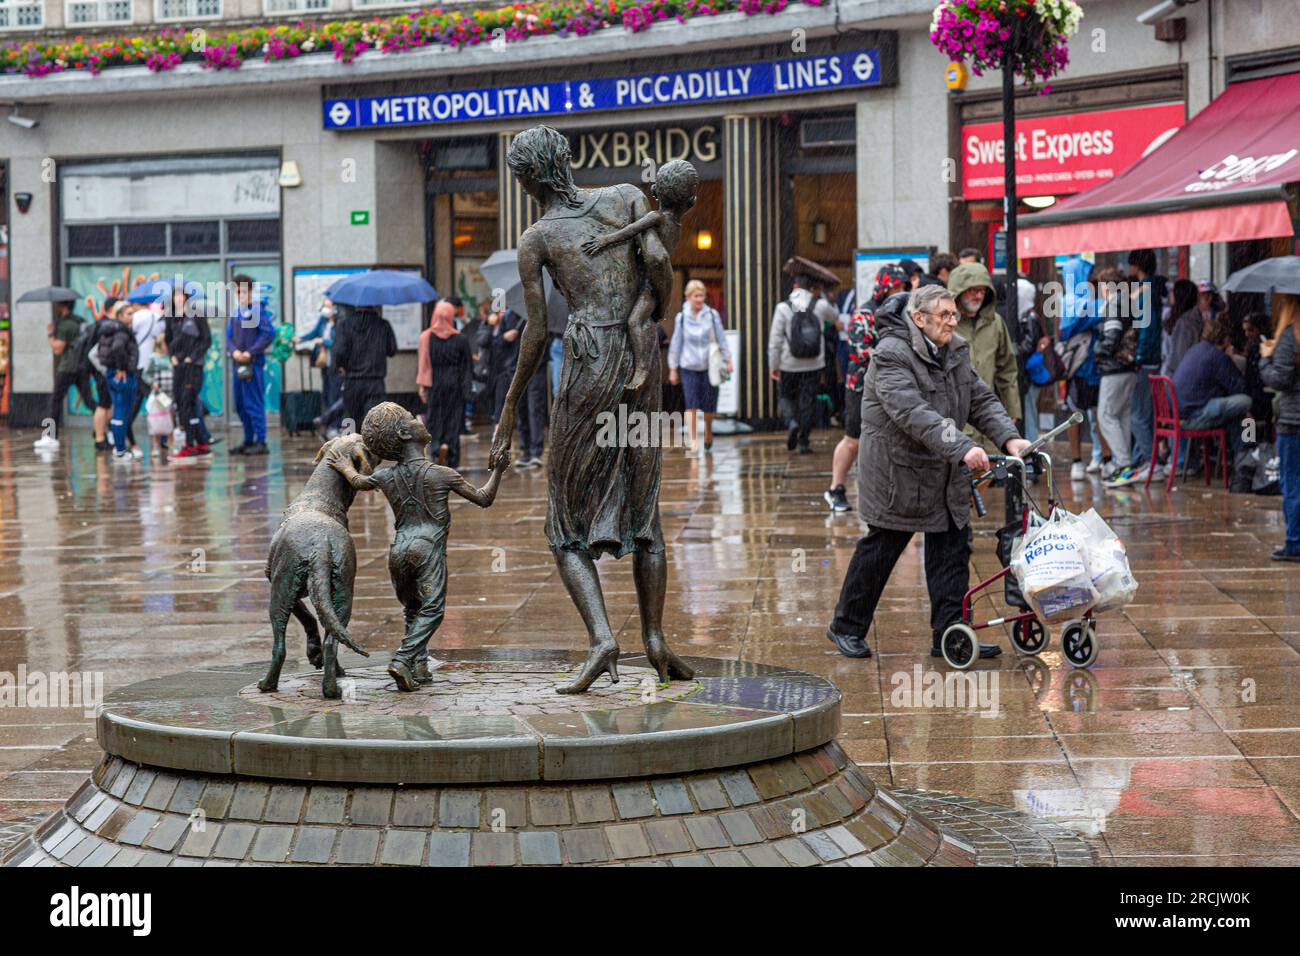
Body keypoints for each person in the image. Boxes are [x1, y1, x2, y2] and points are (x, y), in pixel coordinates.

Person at [490, 124, 694, 692]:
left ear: (529, 176)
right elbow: (656, 258)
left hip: (585, 363)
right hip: (639, 361)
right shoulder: (626, 195)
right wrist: (652, 315)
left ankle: (604, 637)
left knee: (564, 518)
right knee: (644, 497)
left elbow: (535, 334)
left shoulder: (537, 238)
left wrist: (509, 409)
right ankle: (654, 637)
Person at [825, 284, 1030, 659]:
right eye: (945, 315)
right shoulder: (890, 355)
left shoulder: (954, 349)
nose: (954, 321)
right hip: (897, 473)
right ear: (919, 319)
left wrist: (1009, 439)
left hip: (943, 469)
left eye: (954, 314)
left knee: (952, 550)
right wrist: (964, 446)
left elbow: (979, 398)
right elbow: (913, 413)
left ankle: (951, 635)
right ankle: (847, 626)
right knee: (882, 548)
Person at [326, 402, 507, 691]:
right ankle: (403, 658)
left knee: (412, 607)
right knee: (433, 610)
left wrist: (345, 466)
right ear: (404, 433)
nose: (419, 419)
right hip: (428, 549)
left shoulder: (386, 476)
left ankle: (419, 667)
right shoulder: (442, 474)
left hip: (398, 552)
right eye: (412, 418)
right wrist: (498, 470)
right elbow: (484, 498)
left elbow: (360, 481)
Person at [581, 159, 699, 394]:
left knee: (635, 321)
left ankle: (642, 368)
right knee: (640, 320)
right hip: (653, 281)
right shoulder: (675, 221)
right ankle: (641, 364)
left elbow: (632, 230)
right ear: (690, 202)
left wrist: (605, 240)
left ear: (655, 192)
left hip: (650, 283)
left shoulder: (658, 217)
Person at [825, 265, 905, 512]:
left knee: (891, 441)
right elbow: (862, 352)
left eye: (902, 287)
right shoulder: (865, 314)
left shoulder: (901, 314)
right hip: (861, 388)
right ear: (883, 287)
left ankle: (889, 493)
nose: (899, 291)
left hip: (892, 389)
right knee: (853, 440)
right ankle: (836, 488)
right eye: (895, 286)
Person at [947, 261, 1022, 449]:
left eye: (982, 291)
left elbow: (1007, 368)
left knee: (991, 471)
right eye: (973, 290)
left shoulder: (995, 322)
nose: (979, 295)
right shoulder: (946, 324)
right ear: (959, 291)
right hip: (955, 421)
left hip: (989, 419)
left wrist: (1012, 409)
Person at [1170, 319, 1252, 464]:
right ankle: (1246, 457)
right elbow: (1240, 387)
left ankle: (1244, 456)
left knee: (1239, 415)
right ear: (1225, 340)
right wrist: (1230, 358)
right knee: (1246, 403)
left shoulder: (1194, 350)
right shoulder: (1217, 356)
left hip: (1179, 414)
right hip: (1195, 416)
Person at [769, 273, 833, 454]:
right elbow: (835, 317)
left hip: (789, 364)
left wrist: (774, 364)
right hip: (814, 363)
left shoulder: (783, 308)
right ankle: (804, 442)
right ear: (812, 289)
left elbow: (775, 340)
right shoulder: (819, 305)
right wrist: (824, 295)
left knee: (785, 396)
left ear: (795, 287)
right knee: (808, 401)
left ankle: (792, 422)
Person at [667, 279, 732, 455]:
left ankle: (709, 429)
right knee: (692, 405)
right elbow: (676, 344)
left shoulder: (711, 315)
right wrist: (673, 368)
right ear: (688, 297)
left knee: (709, 407)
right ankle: (694, 440)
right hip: (688, 367)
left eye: (702, 295)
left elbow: (721, 338)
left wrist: (728, 359)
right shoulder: (681, 318)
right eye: (696, 296)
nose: (699, 299)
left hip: (709, 366)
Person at [36, 299, 109, 451]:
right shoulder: (80, 321)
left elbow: (57, 349)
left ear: (63, 306)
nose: (55, 307)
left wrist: (51, 334)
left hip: (67, 367)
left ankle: (50, 436)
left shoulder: (64, 324)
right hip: (82, 367)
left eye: (57, 305)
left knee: (55, 400)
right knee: (90, 401)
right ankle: (104, 431)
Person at [1259, 294, 1300, 561]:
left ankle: (1294, 542)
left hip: (1293, 421)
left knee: (1292, 482)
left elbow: (1281, 380)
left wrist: (1265, 359)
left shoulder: (1290, 335)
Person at [1094, 268, 1140, 485]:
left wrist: (1098, 351)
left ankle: (1124, 465)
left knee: (1106, 416)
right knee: (1122, 416)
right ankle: (1126, 466)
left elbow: (1111, 337)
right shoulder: (1127, 302)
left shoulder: (1114, 303)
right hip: (1129, 368)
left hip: (1114, 369)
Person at [1127, 248, 1168, 473]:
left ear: (1137, 266)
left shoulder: (1145, 291)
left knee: (1138, 416)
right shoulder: (1155, 288)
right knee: (1147, 414)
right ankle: (1142, 458)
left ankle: (1151, 463)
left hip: (1147, 361)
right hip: (1156, 359)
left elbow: (1146, 328)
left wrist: (1139, 357)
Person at [227, 275, 276, 456]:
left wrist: (251, 352)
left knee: (254, 404)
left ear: (250, 291)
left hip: (252, 366)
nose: (240, 295)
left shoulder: (257, 310)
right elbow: (228, 337)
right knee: (240, 405)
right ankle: (248, 440)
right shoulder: (235, 312)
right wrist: (234, 352)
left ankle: (261, 442)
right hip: (237, 365)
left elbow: (268, 334)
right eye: (237, 291)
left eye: (243, 291)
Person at [421, 302, 472, 467]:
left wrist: (422, 387)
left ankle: (436, 448)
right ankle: (451, 451)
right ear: (452, 317)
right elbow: (467, 367)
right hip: (455, 383)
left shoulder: (426, 337)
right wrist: (466, 389)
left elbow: (424, 365)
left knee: (435, 417)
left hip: (435, 384)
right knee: (453, 419)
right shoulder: (461, 339)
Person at [332, 305, 397, 432]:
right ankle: (370, 450)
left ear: (356, 305)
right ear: (374, 305)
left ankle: (349, 449)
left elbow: (339, 352)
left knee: (350, 420)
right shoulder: (383, 325)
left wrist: (342, 366)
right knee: (374, 423)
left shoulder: (345, 325)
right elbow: (392, 350)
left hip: (352, 382)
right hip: (375, 383)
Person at [169, 287, 212, 459]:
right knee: (182, 404)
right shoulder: (172, 318)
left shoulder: (196, 315)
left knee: (188, 402)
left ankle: (190, 444)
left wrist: (192, 358)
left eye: (181, 295)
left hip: (193, 368)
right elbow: (168, 339)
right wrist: (171, 355)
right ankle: (200, 442)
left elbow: (206, 340)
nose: (178, 299)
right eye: (175, 296)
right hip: (178, 367)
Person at [96, 300, 140, 462]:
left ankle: (118, 448)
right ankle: (120, 449)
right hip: (122, 374)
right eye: (129, 314)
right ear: (120, 316)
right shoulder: (121, 332)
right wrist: (121, 368)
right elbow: (117, 348)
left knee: (118, 412)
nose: (132, 317)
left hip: (112, 373)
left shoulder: (110, 330)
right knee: (121, 412)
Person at [125, 302, 164, 458]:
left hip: (138, 367)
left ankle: (129, 440)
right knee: (158, 404)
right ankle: (161, 440)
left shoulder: (137, 317)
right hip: (153, 365)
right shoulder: (158, 317)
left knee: (135, 406)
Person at [299, 296, 339, 437]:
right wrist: (300, 339)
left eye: (328, 306)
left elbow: (338, 343)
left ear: (335, 309)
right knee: (327, 395)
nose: (325, 309)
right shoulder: (323, 321)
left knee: (335, 396)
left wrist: (324, 341)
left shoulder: (339, 324)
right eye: (324, 306)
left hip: (335, 365)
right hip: (324, 365)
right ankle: (327, 424)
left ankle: (335, 426)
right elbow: (314, 333)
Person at [1164, 278, 1207, 378]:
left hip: (1179, 378)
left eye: (1173, 291)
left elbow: (1178, 358)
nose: (1170, 294)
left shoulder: (1185, 323)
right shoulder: (1190, 319)